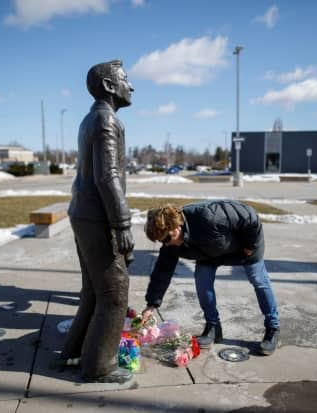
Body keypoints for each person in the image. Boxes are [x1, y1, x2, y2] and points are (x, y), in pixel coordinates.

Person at [60, 60, 135, 384]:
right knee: (115, 295)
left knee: (93, 291)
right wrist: (122, 225)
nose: (130, 86)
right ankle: (98, 365)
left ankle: (73, 351)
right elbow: (108, 176)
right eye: (125, 79)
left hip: (83, 212)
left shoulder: (91, 118)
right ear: (108, 85)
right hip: (97, 217)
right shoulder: (106, 119)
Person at [141, 200, 281, 356]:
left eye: (167, 238)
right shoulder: (172, 245)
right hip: (210, 252)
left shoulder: (207, 215)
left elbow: (249, 216)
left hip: (244, 247)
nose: (166, 243)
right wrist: (151, 305)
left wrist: (250, 245)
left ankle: (273, 328)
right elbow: (162, 271)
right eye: (162, 241)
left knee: (258, 280)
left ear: (176, 226)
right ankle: (213, 327)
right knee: (202, 280)